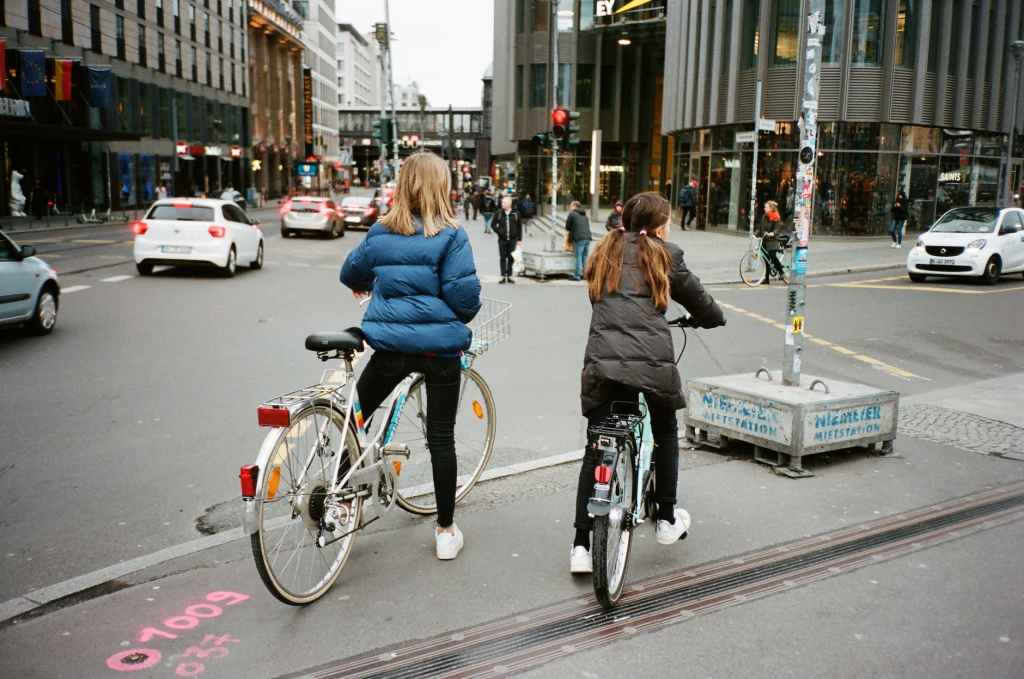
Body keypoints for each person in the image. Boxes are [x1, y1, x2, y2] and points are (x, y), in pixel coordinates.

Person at [570, 192, 725, 574]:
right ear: (658, 226)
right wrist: (711, 318)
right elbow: (700, 301)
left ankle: (579, 547)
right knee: (666, 430)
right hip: (651, 365)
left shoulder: (605, 250)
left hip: (603, 364)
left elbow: (599, 301)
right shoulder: (665, 254)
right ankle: (668, 518)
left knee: (597, 445)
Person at [339, 152, 482, 561]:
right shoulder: (452, 235)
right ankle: (444, 531)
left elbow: (351, 275)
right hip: (439, 351)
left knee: (354, 418)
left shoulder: (382, 230)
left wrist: (376, 280)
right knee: (441, 437)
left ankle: (344, 492)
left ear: (403, 185)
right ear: (443, 186)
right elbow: (464, 298)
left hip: (388, 348)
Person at [755, 200, 789, 285]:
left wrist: (772, 233)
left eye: (766, 207)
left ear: (770, 208)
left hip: (773, 240)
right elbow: (761, 227)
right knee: (765, 259)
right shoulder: (764, 216)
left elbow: (778, 228)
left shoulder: (776, 217)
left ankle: (782, 273)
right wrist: (756, 234)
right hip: (765, 240)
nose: (764, 208)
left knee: (772, 256)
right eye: (764, 207)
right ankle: (766, 279)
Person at [493, 195, 522, 284]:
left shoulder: (516, 213)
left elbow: (519, 227)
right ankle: (502, 276)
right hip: (502, 240)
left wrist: (519, 240)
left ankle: (509, 276)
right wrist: (499, 232)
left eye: (504, 202)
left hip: (513, 240)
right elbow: (493, 224)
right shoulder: (499, 213)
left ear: (509, 204)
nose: (502, 204)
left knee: (510, 258)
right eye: (502, 202)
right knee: (502, 257)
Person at [565, 200, 592, 281]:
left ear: (575, 206)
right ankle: (585, 275)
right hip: (587, 238)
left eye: (571, 206)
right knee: (585, 257)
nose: (570, 207)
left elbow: (567, 227)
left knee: (578, 257)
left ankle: (577, 275)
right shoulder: (585, 215)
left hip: (578, 238)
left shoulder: (572, 214)